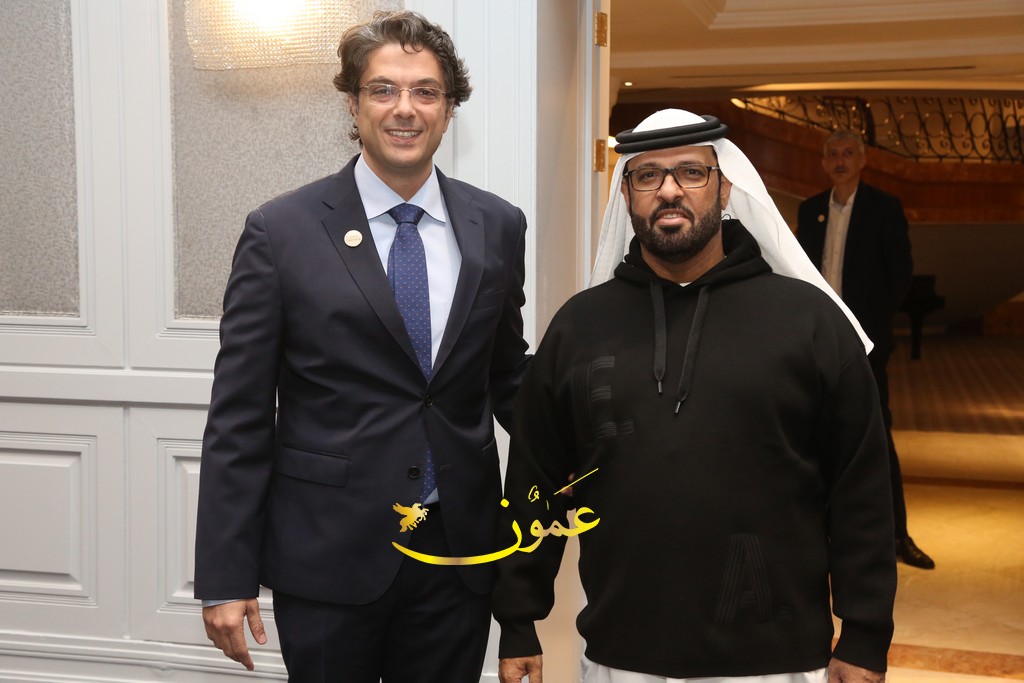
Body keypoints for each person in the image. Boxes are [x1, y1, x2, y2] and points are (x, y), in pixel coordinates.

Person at [492, 109, 897, 683]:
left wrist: (865, 633)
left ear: (725, 188)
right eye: (648, 175)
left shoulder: (808, 322)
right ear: (626, 195)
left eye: (691, 171)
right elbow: (536, 479)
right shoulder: (580, 328)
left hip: (776, 659)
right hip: (619, 653)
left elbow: (860, 487)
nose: (670, 190)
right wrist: (517, 619)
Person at [193, 10, 531, 681]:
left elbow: (507, 378)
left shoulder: (497, 224)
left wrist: (602, 440)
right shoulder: (280, 231)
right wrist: (225, 574)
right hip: (328, 555)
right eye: (383, 89)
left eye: (425, 91)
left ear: (449, 108)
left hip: (458, 555)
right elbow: (239, 414)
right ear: (353, 102)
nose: (405, 109)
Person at [797, 129, 933, 570]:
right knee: (813, 435)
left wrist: (871, 328)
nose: (840, 161)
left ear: (862, 160)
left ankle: (897, 535)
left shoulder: (884, 208)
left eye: (847, 153)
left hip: (866, 344)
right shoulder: (811, 210)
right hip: (817, 342)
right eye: (833, 154)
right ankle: (818, 533)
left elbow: (900, 274)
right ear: (824, 163)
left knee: (876, 435)